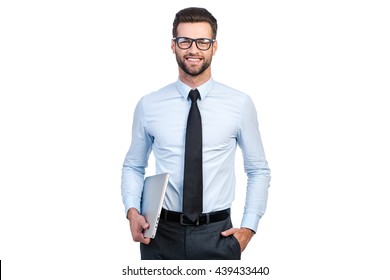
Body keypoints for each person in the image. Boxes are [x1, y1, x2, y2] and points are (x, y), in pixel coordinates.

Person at [121, 7, 271, 260]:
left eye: (202, 42)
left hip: (219, 235)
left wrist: (249, 227)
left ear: (214, 46)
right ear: (173, 45)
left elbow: (258, 170)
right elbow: (133, 165)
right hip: (159, 236)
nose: (193, 49)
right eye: (185, 41)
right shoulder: (149, 105)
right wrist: (132, 210)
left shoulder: (240, 104)